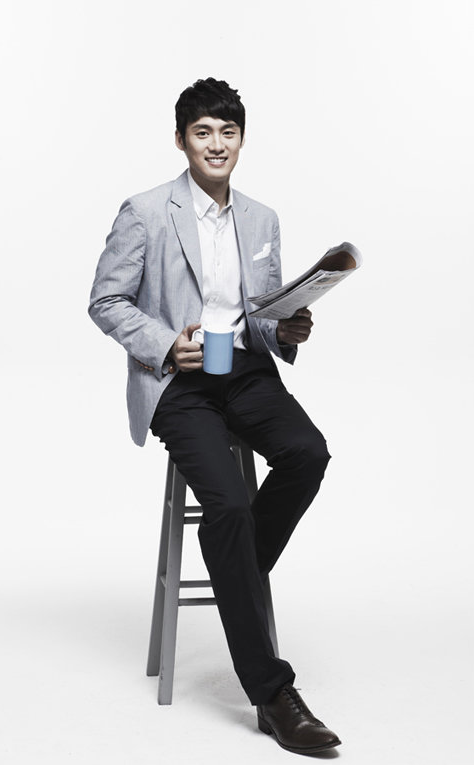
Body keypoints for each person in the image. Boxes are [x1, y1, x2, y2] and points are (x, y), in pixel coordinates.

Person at [88, 77, 341, 755]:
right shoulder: (146, 211)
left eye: (228, 132)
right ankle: (273, 695)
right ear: (182, 140)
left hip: (247, 371)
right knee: (227, 505)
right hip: (181, 382)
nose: (217, 143)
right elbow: (106, 300)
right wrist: (165, 343)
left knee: (308, 453)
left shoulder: (262, 218)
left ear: (242, 140)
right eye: (203, 132)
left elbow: (264, 315)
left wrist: (287, 329)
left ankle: (232, 560)